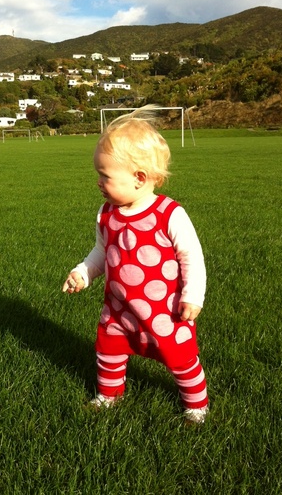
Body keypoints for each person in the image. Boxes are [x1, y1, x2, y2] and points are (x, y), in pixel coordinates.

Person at [63, 106, 209, 423]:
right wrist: (82, 272)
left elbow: (191, 256)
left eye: (105, 176)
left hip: (164, 311)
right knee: (108, 349)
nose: (98, 182)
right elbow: (102, 251)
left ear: (139, 178)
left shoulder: (169, 214)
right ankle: (109, 395)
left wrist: (193, 296)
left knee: (180, 358)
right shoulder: (107, 214)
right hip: (119, 309)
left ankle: (197, 405)